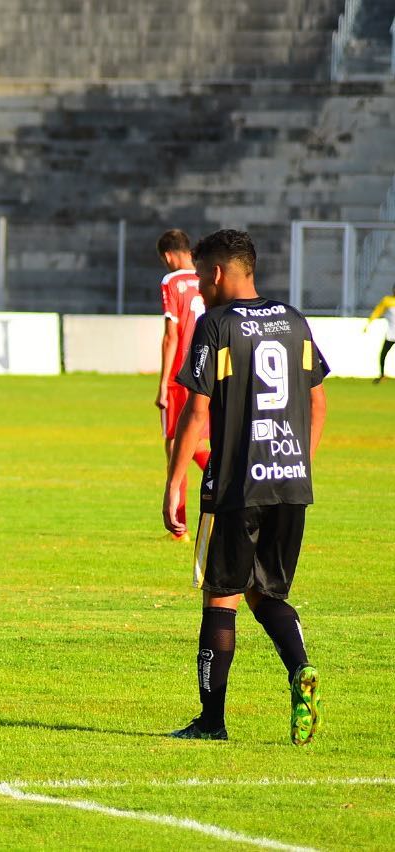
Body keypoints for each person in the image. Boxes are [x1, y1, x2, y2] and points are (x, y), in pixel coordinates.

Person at [163, 229, 327, 745]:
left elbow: (195, 409)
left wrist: (173, 481)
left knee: (222, 598)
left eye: (202, 276)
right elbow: (319, 404)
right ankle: (300, 669)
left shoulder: (215, 324)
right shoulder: (294, 321)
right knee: (267, 593)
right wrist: (298, 463)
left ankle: (211, 722)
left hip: (235, 485)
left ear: (214, 273)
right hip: (289, 482)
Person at [154, 229, 210, 542]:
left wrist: (163, 385)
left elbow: (171, 335)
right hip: (205, 371)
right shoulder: (206, 276)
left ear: (167, 255)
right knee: (195, 442)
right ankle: (231, 484)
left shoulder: (171, 282)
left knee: (175, 445)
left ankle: (179, 525)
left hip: (180, 375)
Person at [363, 285, 395, 384]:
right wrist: (369, 322)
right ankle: (382, 375)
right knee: (383, 354)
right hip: (391, 334)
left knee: (383, 354)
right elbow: (378, 311)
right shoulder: (387, 301)